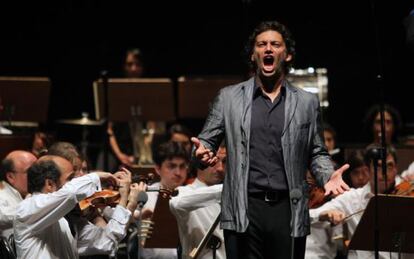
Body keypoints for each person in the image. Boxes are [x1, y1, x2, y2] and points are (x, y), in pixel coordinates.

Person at [191, 20, 349, 259]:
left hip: (287, 208)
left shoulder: (306, 103)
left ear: (286, 54)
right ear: (253, 54)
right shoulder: (228, 98)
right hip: (244, 207)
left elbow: (316, 152)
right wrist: (201, 155)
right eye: (261, 44)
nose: (268, 49)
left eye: (275, 44)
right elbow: (206, 143)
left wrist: (327, 175)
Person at [13, 155, 135, 259]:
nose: (77, 180)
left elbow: (107, 242)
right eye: (71, 178)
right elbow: (71, 194)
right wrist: (96, 176)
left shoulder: (66, 217)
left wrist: (125, 199)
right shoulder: (28, 208)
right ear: (50, 184)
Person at [310, 145, 414, 258]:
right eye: (378, 166)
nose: (384, 173)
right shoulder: (350, 198)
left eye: (389, 166)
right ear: (368, 170)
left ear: (396, 168)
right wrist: (323, 214)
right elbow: (310, 216)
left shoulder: (407, 196)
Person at [170, 145, 226, 259]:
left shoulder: (235, 196)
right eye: (214, 161)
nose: (220, 168)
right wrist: (225, 190)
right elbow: (176, 203)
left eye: (224, 161)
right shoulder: (184, 192)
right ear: (198, 162)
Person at [138, 141, 190, 259]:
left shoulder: (191, 194)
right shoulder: (145, 196)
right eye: (171, 166)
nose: (178, 173)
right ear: (157, 168)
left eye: (182, 166)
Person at [0, 151, 37, 238]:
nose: (38, 175)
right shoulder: (1, 194)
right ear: (10, 177)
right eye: (31, 171)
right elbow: (3, 216)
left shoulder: (31, 193)